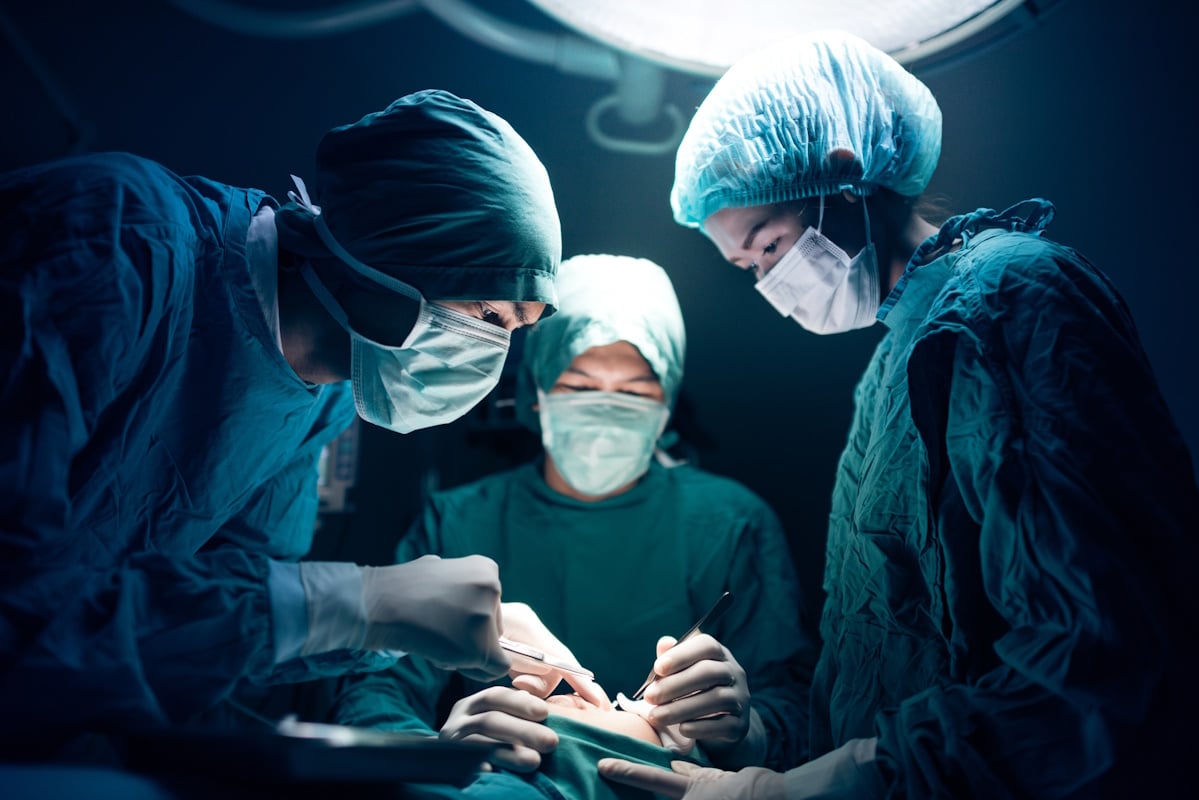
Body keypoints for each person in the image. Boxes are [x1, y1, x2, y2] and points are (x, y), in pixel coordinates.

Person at [599, 30, 1199, 800]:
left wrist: (825, 789)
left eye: (771, 244)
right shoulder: (895, 360)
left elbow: (1099, 666)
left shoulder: (1012, 302)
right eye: (748, 269)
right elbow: (885, 663)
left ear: (843, 176)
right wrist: (750, 733)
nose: (771, 284)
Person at [0, 88, 596, 768]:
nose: (492, 358)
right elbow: (21, 614)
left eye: (515, 332)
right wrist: (360, 605)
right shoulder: (113, 241)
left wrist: (391, 635)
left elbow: (211, 627)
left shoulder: (326, 400)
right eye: (488, 313)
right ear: (387, 251)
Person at [331, 254, 817, 776]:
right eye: (580, 386)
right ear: (537, 393)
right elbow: (377, 691)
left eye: (634, 391)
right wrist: (435, 754)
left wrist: (748, 733)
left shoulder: (730, 523)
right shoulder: (459, 522)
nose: (606, 407)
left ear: (667, 403)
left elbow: (797, 710)